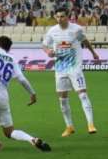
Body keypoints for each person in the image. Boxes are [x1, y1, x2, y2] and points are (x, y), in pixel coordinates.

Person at [42, 8, 99, 137]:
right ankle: (69, 126)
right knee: (63, 99)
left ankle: (90, 124)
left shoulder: (76, 29)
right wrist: (48, 52)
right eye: (57, 17)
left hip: (75, 68)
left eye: (62, 16)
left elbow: (84, 41)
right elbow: (44, 45)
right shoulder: (52, 31)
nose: (59, 19)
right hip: (60, 69)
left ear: (67, 17)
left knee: (82, 95)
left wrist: (94, 53)